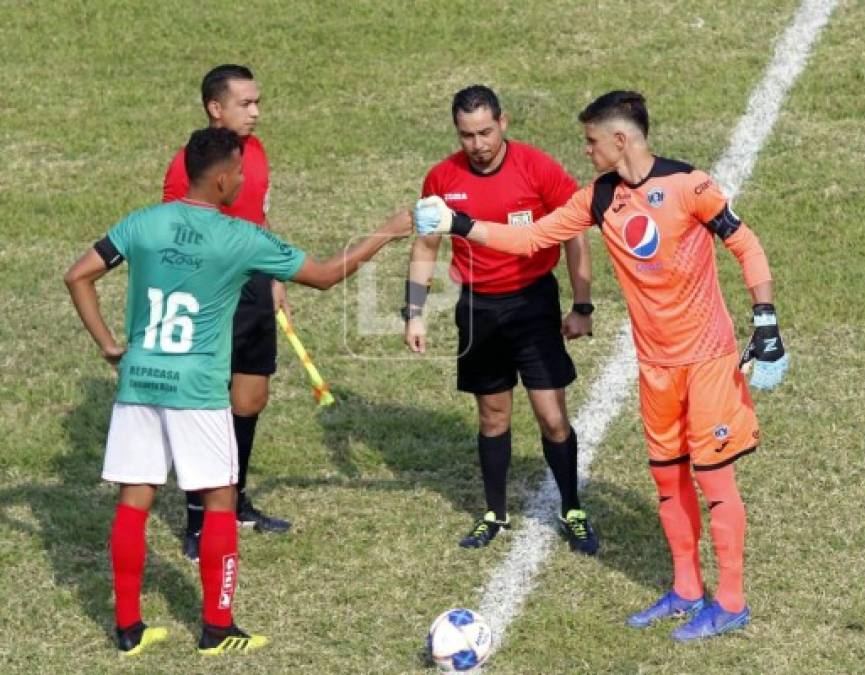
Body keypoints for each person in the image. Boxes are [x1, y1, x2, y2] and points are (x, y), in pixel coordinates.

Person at [414, 90, 789, 641]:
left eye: (591, 141)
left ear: (620, 140)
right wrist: (461, 223)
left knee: (713, 480)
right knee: (667, 479)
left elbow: (746, 243)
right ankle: (686, 588)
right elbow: (532, 238)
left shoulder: (690, 185)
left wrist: (765, 320)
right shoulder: (599, 198)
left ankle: (730, 600)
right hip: (655, 368)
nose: (585, 151)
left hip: (706, 360)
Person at [64, 127, 411, 655]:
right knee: (221, 500)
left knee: (134, 502)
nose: (245, 180)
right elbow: (322, 275)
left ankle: (129, 629)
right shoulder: (239, 237)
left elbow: (77, 276)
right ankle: (217, 628)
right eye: (240, 173)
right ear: (223, 178)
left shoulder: (143, 223)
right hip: (198, 392)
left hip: (139, 383)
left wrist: (110, 344)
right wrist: (386, 232)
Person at [404, 85, 598, 555]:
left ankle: (572, 508)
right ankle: (495, 513)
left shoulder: (538, 168)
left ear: (503, 123)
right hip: (478, 308)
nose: (479, 144)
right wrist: (413, 312)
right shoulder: (441, 179)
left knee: (552, 418)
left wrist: (582, 305)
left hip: (533, 304)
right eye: (467, 135)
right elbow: (426, 246)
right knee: (493, 417)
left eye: (486, 131)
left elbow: (574, 235)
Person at [163, 64, 289, 560]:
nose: (256, 112)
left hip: (254, 287)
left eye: (257, 102)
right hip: (210, 295)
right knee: (207, 407)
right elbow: (174, 235)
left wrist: (274, 278)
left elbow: (257, 215)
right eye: (245, 104)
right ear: (216, 108)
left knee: (249, 398)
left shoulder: (254, 152)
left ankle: (234, 499)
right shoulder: (186, 166)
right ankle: (199, 518)